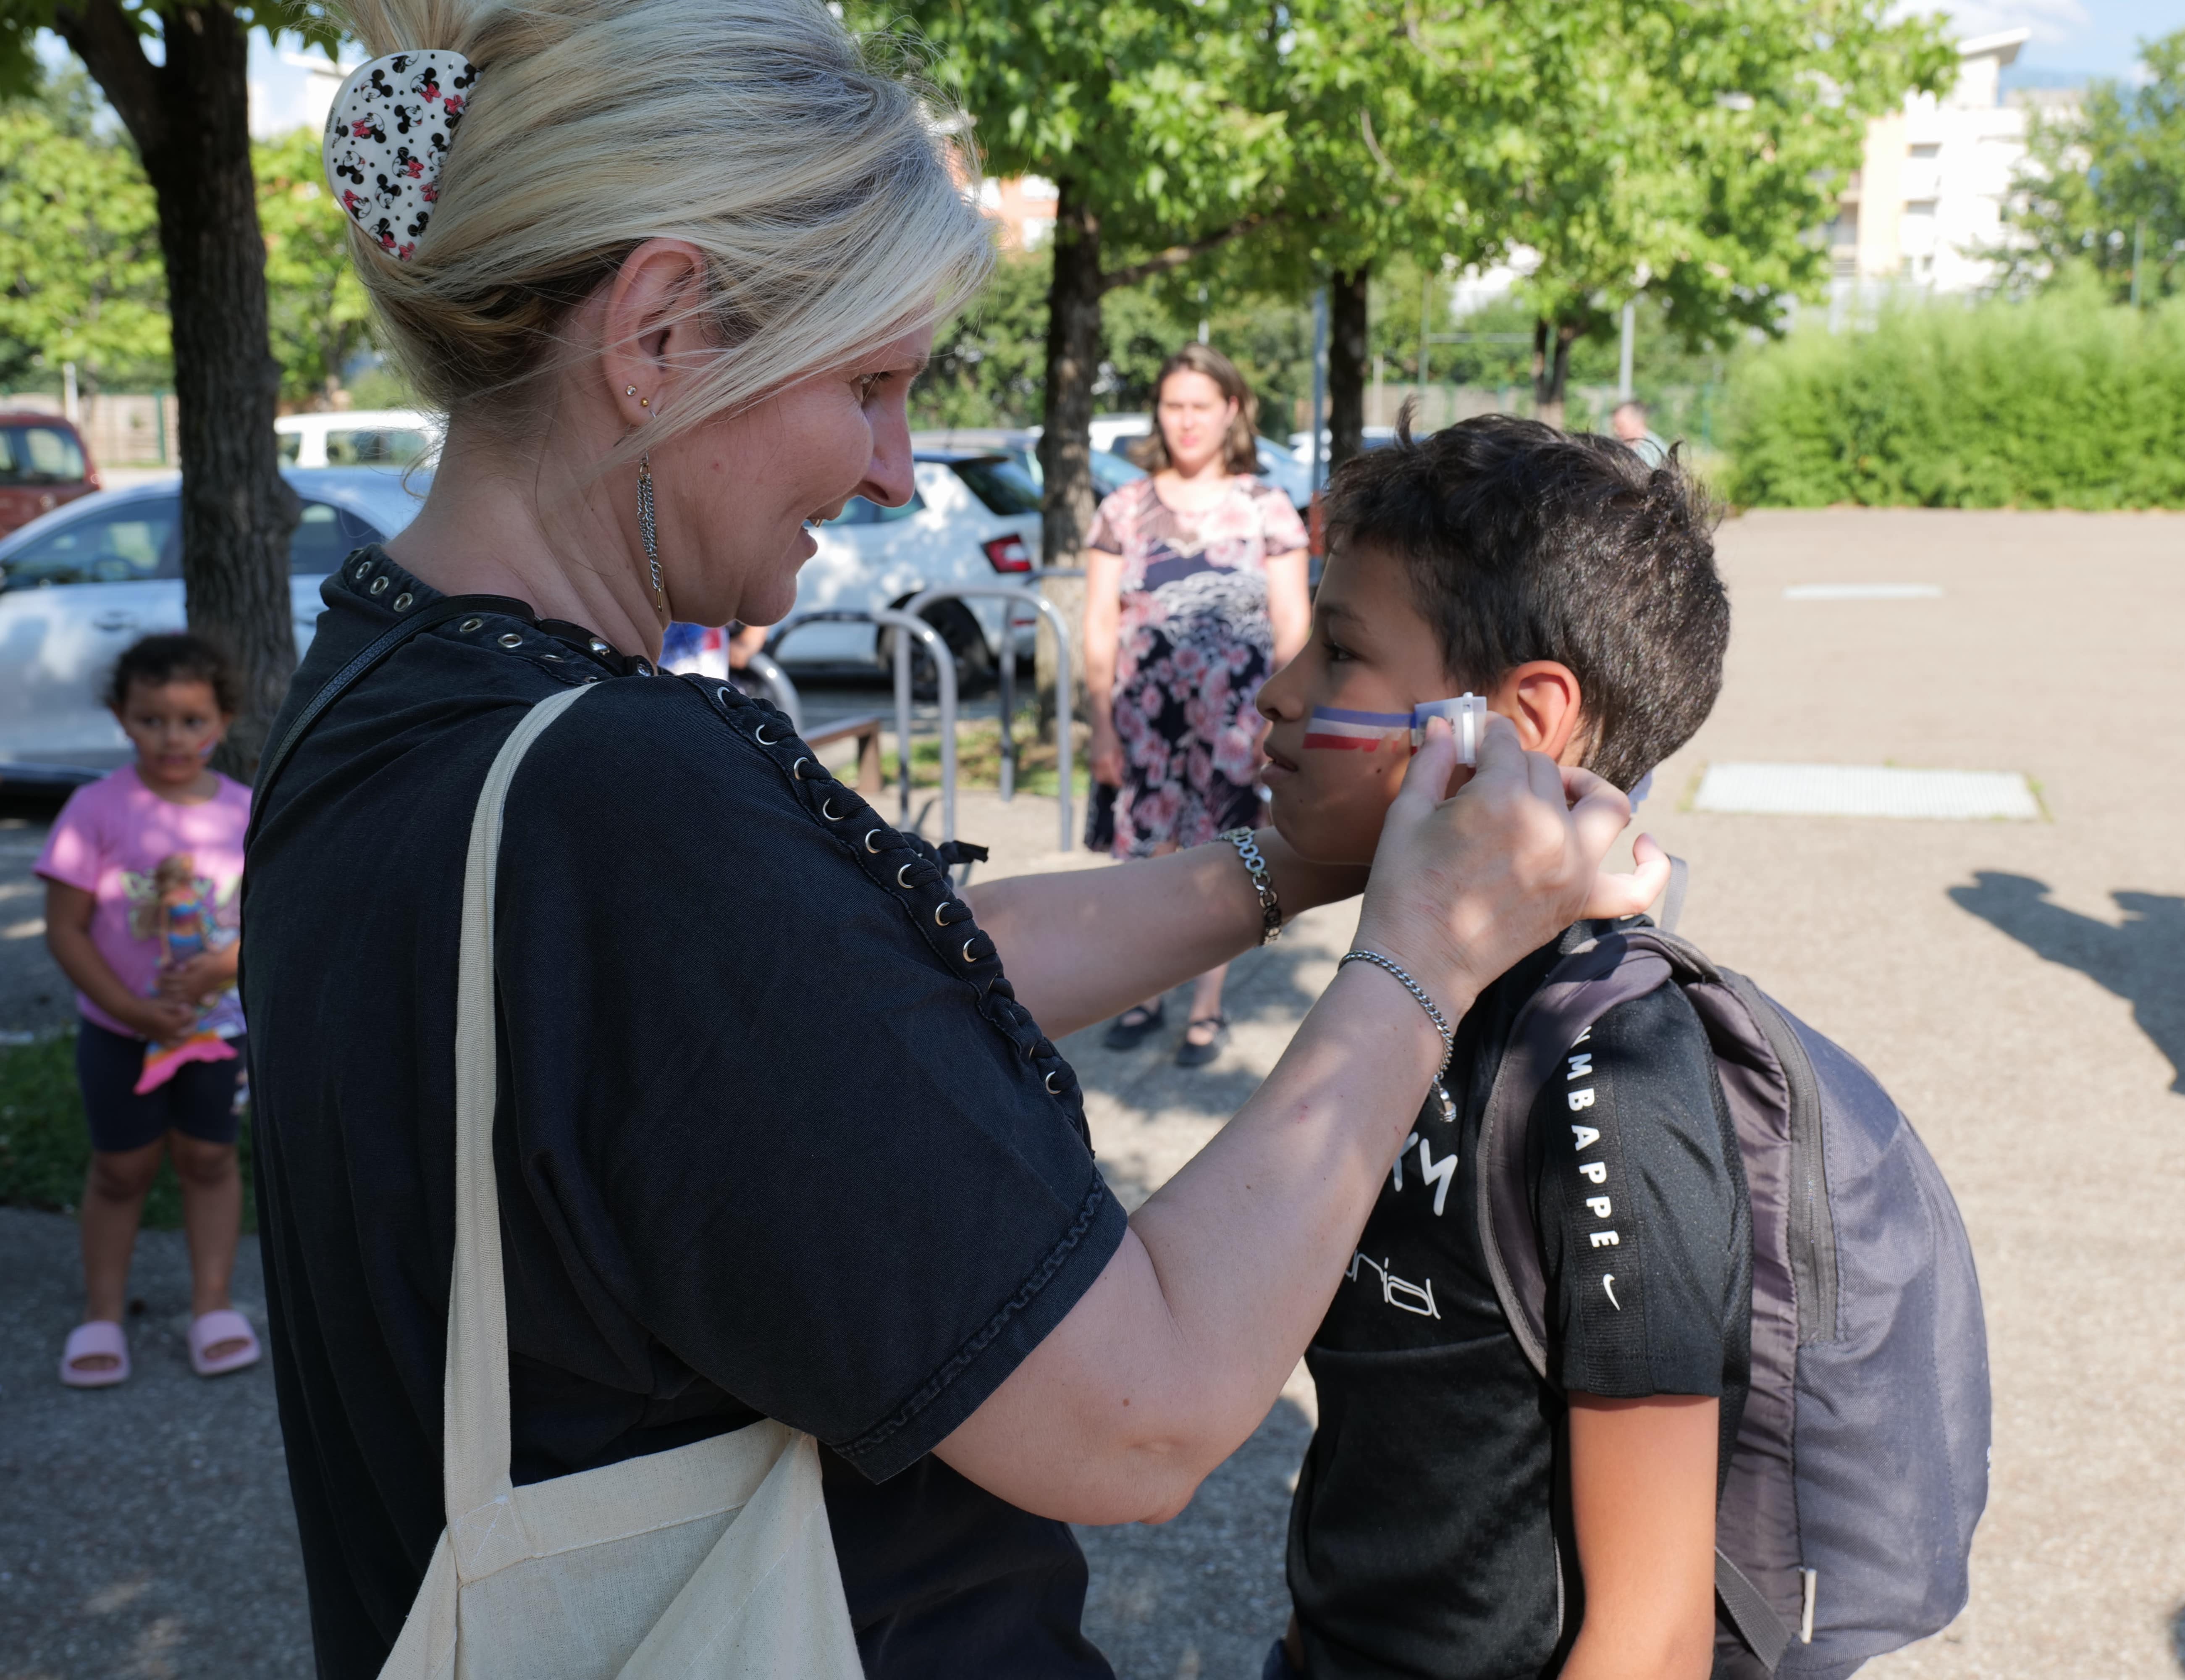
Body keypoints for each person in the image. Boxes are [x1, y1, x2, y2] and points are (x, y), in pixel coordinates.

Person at [245, 4, 1668, 1674]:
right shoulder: (624, 809)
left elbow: (823, 1019)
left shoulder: (395, 685)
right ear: (661, 328)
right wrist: (1418, 963)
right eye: (869, 382)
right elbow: (1136, 1418)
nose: (892, 468)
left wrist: (1279, 870)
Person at [1251, 416, 1743, 1680]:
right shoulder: (1412, 992)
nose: (1280, 689)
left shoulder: (1612, 1077)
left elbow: (1653, 1632)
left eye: (1343, 648)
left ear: (1516, 722)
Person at [38, 633, 259, 1387]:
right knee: (121, 1170)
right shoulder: (95, 810)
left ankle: (213, 1305)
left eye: (193, 721)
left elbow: (268, 918)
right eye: (153, 720)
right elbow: (66, 930)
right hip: (119, 1032)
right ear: (121, 719)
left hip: (217, 1031)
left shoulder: (245, 813)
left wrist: (224, 969)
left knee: (208, 1158)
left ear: (224, 721)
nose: (174, 738)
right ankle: (102, 1314)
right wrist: (132, 1011)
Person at [1083, 343, 1312, 1066]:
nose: (1184, 422)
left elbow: (1292, 626)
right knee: (1143, 863)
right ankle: (1143, 991)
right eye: (1172, 405)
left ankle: (1205, 1007)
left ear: (1232, 411)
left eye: (1199, 407)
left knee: (1221, 864)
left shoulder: (1267, 509)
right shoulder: (1122, 507)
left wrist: (1278, 724)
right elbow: (1096, 623)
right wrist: (1098, 725)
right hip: (1142, 722)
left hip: (1236, 725)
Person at [1611, 398, 1669, 467]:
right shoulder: (1618, 447)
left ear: (1637, 422)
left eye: (1620, 426)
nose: (1616, 431)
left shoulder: (1655, 450)